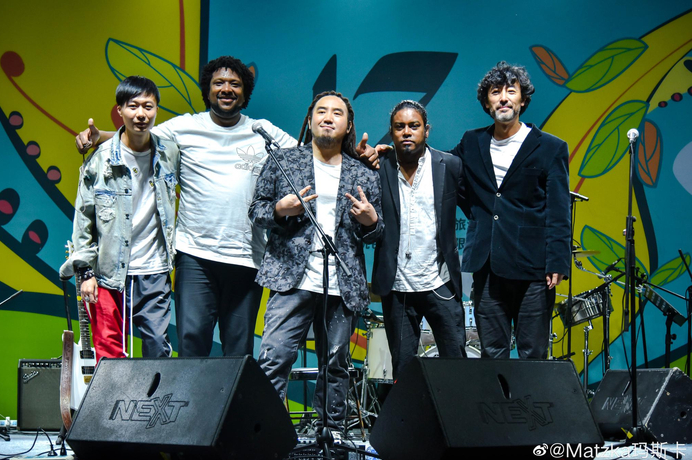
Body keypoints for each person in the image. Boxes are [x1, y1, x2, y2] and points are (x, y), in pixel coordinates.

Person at [75, 56, 379, 358]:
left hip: (246, 258)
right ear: (207, 90)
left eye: (235, 84)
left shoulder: (262, 131)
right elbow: (139, 137)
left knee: (238, 353)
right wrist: (99, 138)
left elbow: (313, 152)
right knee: (192, 347)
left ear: (245, 93)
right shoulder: (184, 126)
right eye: (218, 83)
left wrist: (359, 156)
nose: (226, 89)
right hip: (194, 256)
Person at [249, 91, 383, 432]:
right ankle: (266, 435)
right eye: (321, 111)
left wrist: (370, 222)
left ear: (348, 126)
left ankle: (330, 435)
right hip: (290, 279)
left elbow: (375, 231)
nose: (328, 117)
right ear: (309, 121)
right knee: (274, 358)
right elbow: (257, 211)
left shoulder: (364, 174)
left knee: (336, 366)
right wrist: (280, 210)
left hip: (342, 283)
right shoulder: (283, 160)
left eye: (337, 113)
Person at [449, 61, 570, 359]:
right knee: (491, 354)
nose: (503, 98)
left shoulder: (550, 147)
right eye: (495, 92)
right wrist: (392, 154)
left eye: (511, 91)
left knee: (533, 354)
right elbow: (442, 170)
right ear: (486, 103)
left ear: (523, 100)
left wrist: (558, 260)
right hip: (487, 265)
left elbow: (558, 210)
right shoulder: (472, 141)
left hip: (534, 269)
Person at [60, 76, 180, 361]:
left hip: (154, 270)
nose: (141, 114)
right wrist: (85, 273)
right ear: (120, 110)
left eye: (148, 106)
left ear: (157, 110)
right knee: (109, 355)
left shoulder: (170, 152)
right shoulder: (99, 160)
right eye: (133, 106)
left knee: (158, 350)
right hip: (108, 273)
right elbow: (84, 219)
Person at [371, 100, 467, 380]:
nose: (407, 132)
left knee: (457, 369)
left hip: (440, 284)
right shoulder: (378, 167)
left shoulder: (449, 165)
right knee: (404, 374)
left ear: (427, 130)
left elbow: (476, 207)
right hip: (397, 287)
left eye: (414, 126)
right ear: (391, 132)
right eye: (399, 127)